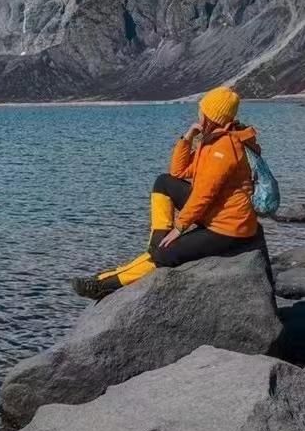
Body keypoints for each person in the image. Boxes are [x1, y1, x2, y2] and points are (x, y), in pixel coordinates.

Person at [72, 85, 271, 301]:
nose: (198, 113)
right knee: (164, 183)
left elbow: (203, 195)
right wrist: (187, 138)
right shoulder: (213, 140)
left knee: (165, 253)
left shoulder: (223, 149)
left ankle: (105, 284)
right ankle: (156, 242)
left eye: (201, 109)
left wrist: (180, 227)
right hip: (216, 211)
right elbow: (178, 171)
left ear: (211, 115)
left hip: (228, 227)